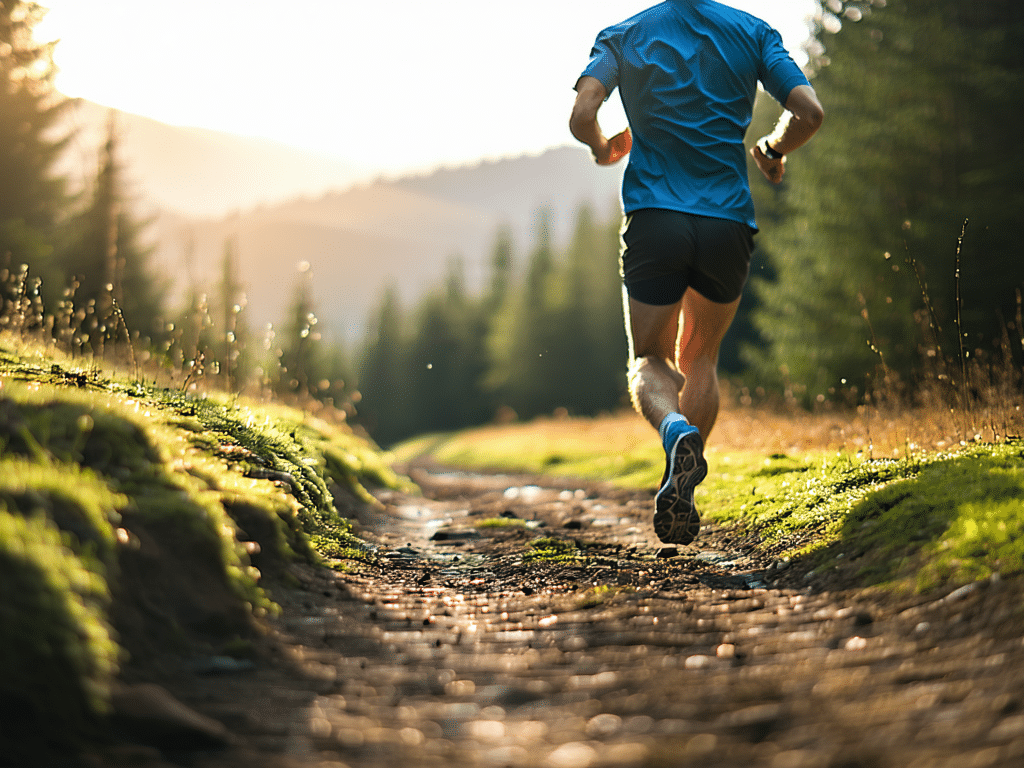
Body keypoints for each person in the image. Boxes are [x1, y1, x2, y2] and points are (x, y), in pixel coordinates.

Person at [569, 0, 823, 545]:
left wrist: (601, 148)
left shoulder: (624, 34)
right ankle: (682, 478)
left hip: (655, 218)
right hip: (726, 221)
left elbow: (582, 112)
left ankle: (674, 431)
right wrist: (774, 149)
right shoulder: (755, 33)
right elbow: (809, 113)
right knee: (700, 357)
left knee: (649, 359)